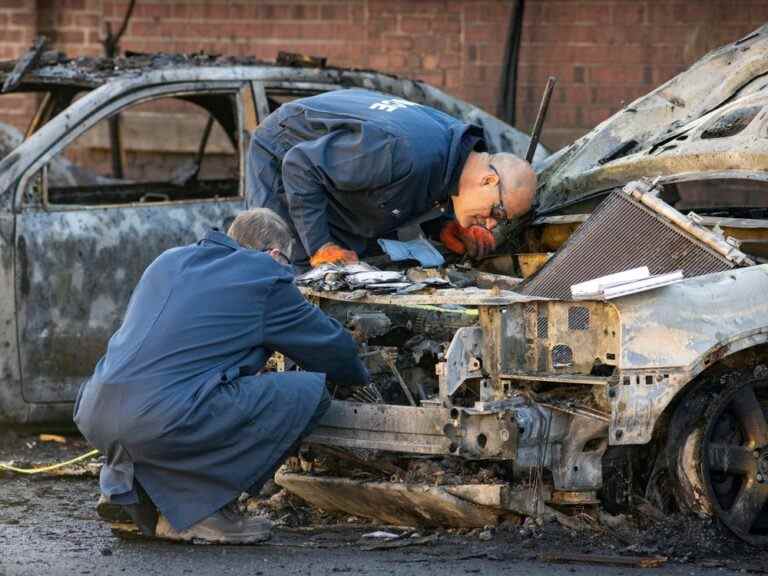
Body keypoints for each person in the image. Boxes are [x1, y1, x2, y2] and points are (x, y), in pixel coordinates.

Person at [73, 208, 369, 544]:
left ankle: (129, 496)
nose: (287, 271)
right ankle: (205, 514)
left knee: (170, 391)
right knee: (308, 392)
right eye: (287, 262)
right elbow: (334, 351)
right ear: (274, 255)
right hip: (159, 418)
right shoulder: (265, 275)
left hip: (95, 411)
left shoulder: (169, 260)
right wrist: (365, 376)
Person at [247, 88, 537, 267]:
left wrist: (444, 224)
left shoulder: (454, 153)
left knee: (359, 268)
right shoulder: (402, 153)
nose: (490, 223)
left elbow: (424, 186)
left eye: (500, 220)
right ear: (488, 181)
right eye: (497, 212)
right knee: (286, 270)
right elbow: (301, 165)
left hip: (333, 168)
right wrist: (321, 246)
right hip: (282, 153)